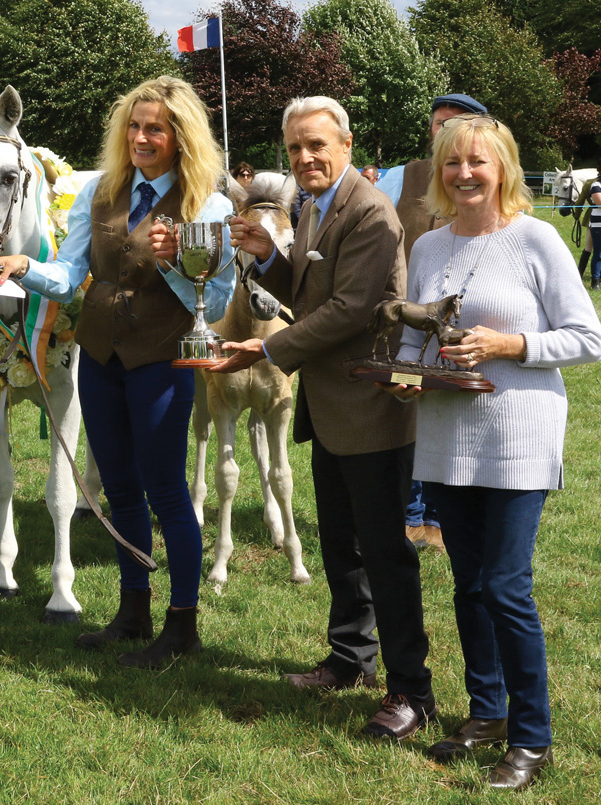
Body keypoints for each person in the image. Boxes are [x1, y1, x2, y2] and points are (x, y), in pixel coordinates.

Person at [381, 114, 601, 790]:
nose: (465, 174)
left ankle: (533, 737)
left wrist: (509, 346)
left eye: (478, 162)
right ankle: (487, 711)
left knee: (506, 586)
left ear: (503, 166)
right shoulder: (429, 247)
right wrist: (402, 377)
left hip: (518, 436)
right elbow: (418, 342)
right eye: (452, 163)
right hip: (447, 440)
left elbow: (587, 338)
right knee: (470, 585)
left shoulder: (536, 240)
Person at [0, 75, 236, 669]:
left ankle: (182, 624)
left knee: (167, 492)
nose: (142, 137)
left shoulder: (211, 204)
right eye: (134, 125)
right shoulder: (100, 191)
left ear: (181, 137)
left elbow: (220, 297)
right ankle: (133, 611)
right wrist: (26, 268)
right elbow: (71, 274)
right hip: (99, 358)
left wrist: (173, 261)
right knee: (117, 489)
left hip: (161, 360)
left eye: (156, 128)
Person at [218, 96, 434, 739]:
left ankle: (411, 692)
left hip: (371, 405)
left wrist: (269, 348)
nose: (306, 158)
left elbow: (351, 309)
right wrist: (266, 256)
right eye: (295, 149)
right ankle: (350, 659)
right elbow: (310, 293)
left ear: (345, 143)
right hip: (333, 404)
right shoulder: (314, 206)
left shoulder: (369, 210)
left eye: (317, 145)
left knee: (385, 552)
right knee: (341, 544)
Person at [377, 92, 488, 552]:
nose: (446, 133)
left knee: (450, 416)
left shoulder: (484, 179)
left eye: (457, 125)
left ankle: (441, 520)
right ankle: (411, 515)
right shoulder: (399, 177)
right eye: (440, 124)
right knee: (408, 415)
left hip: (464, 320)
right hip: (406, 317)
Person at [588, 174, 600, 290]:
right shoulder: (596, 185)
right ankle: (595, 281)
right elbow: (599, 202)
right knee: (599, 253)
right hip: (598, 224)